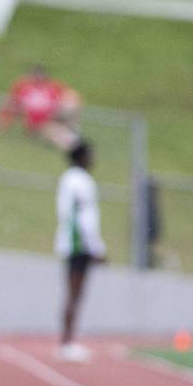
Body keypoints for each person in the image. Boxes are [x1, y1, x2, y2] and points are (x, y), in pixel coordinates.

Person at [55, 139, 106, 362]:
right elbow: (82, 216)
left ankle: (68, 341)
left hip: (73, 242)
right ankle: (67, 343)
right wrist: (95, 246)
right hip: (78, 244)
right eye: (89, 154)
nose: (92, 159)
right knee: (75, 294)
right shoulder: (81, 181)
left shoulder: (68, 179)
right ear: (80, 157)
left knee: (74, 295)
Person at [0, 64, 81, 151]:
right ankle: (73, 145)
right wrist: (3, 122)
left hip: (53, 117)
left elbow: (71, 95)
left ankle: (74, 138)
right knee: (55, 132)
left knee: (69, 107)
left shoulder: (51, 87)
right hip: (37, 124)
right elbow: (12, 105)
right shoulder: (23, 87)